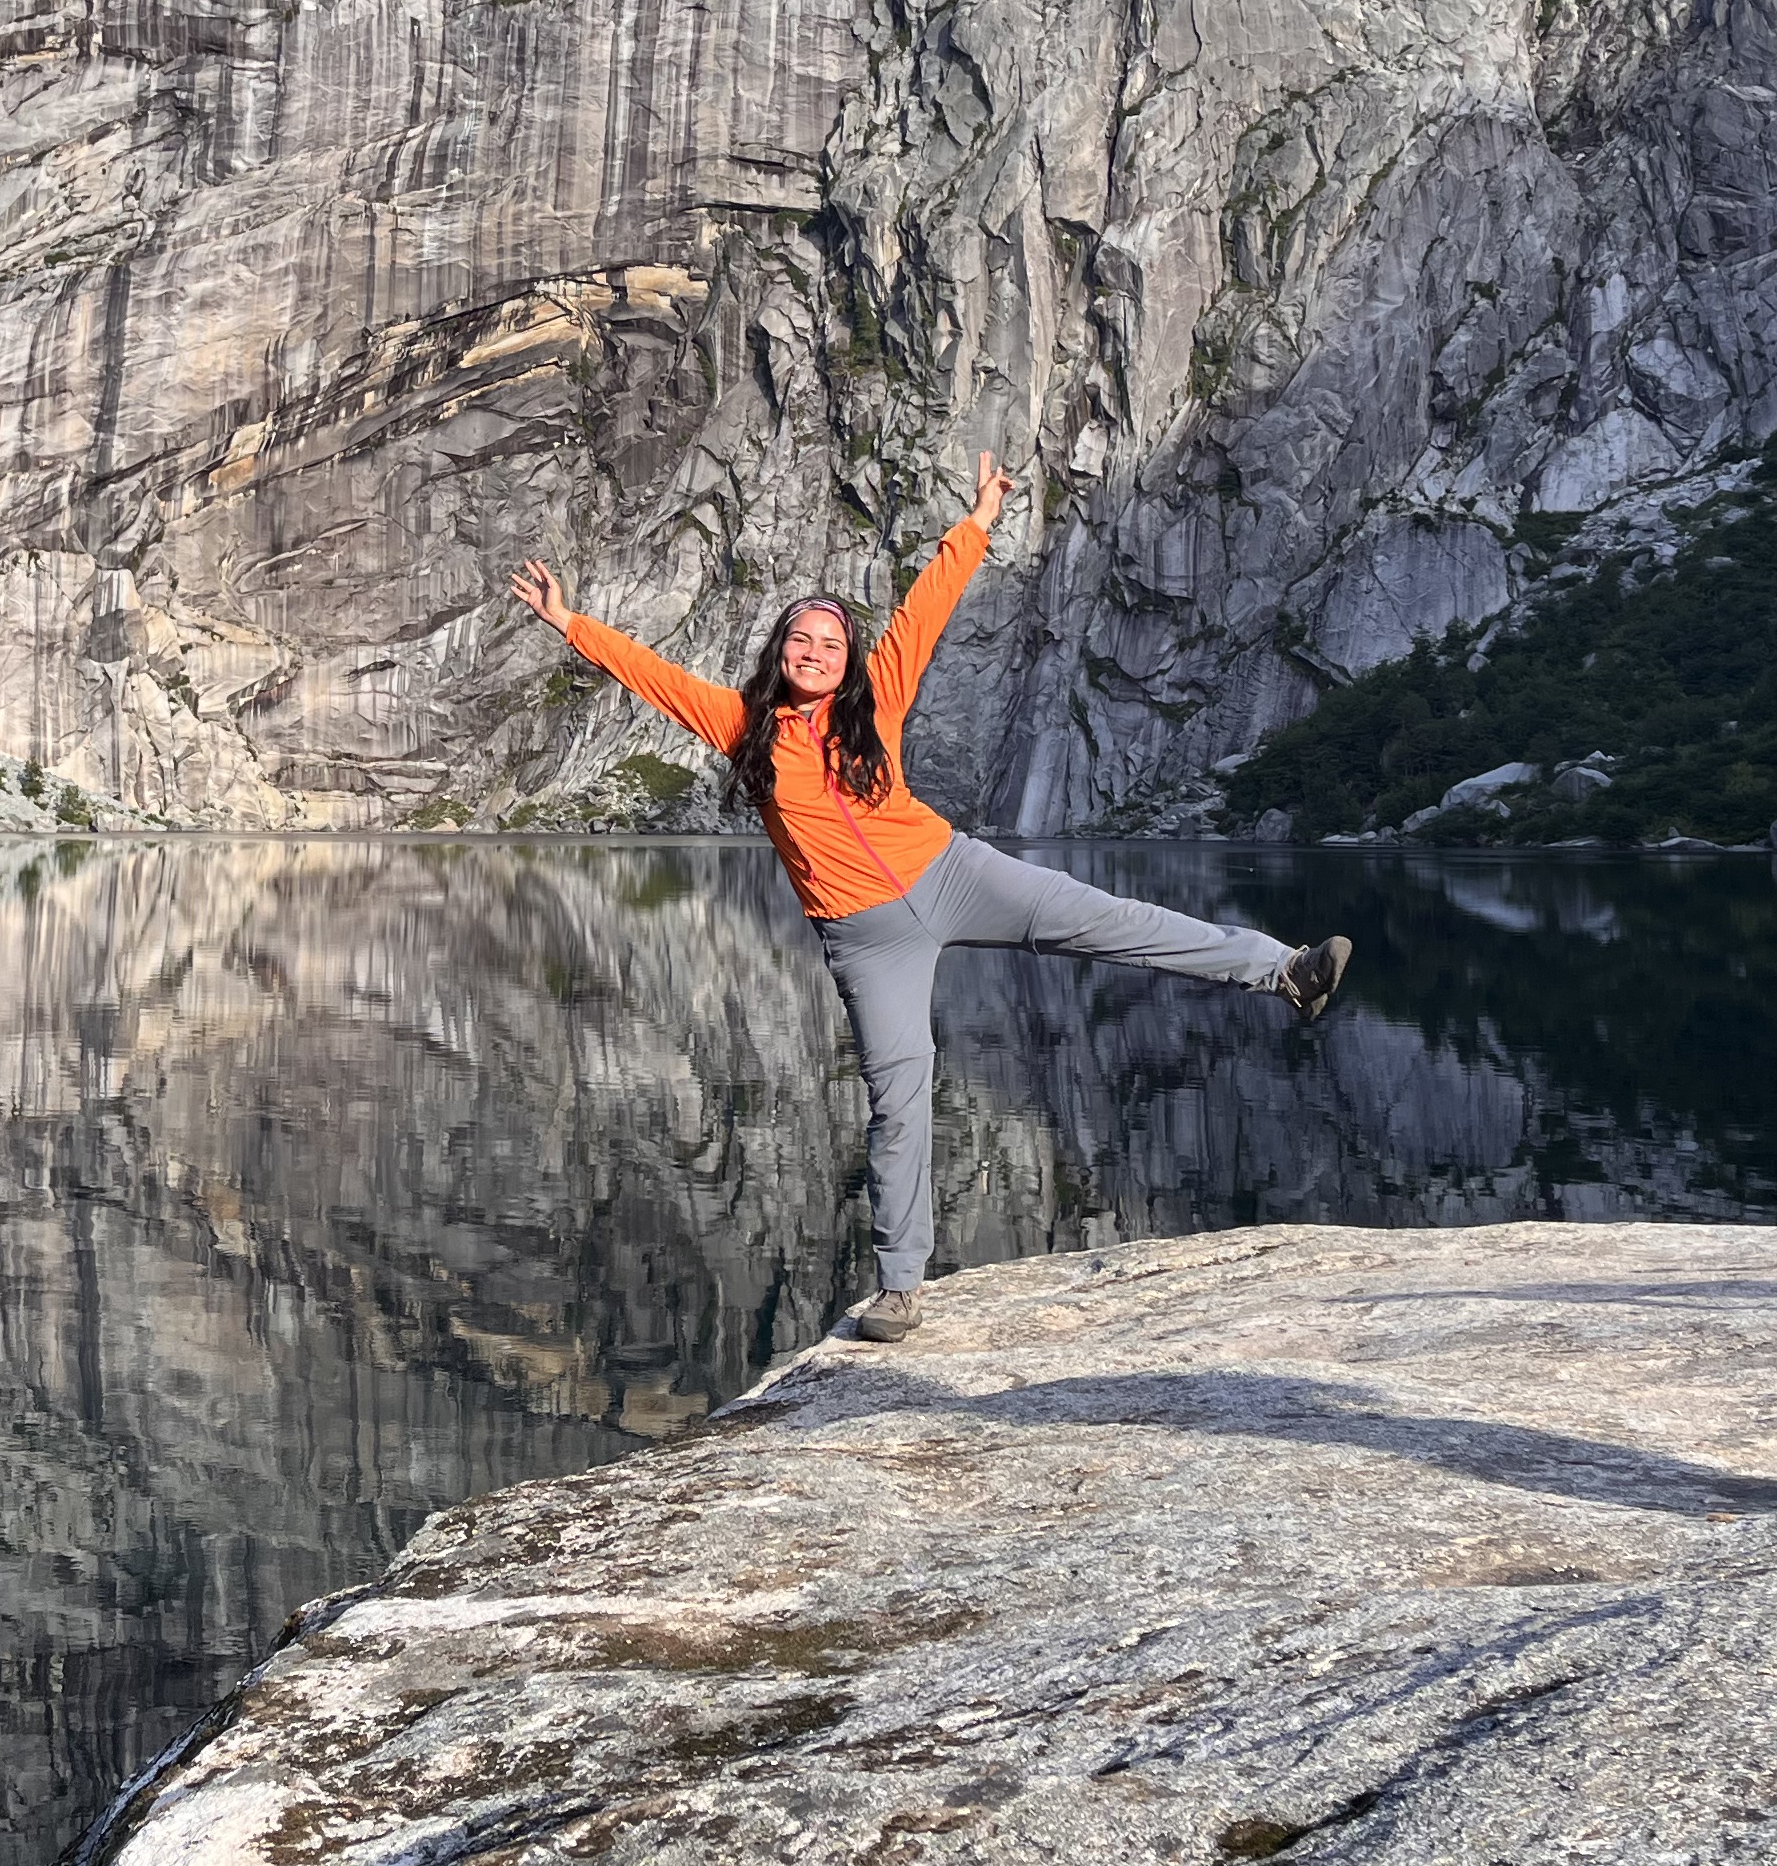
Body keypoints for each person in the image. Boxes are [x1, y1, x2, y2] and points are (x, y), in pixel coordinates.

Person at [511, 453, 1350, 1345]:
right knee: (900, 1097)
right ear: (779, 653)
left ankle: (1285, 972)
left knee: (1115, 922)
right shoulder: (742, 726)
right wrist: (570, 623)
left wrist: (979, 517)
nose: (814, 654)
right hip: (867, 940)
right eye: (801, 642)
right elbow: (651, 674)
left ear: (847, 660)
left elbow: (926, 606)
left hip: (953, 873)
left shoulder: (876, 701)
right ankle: (901, 1288)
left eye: (830, 645)